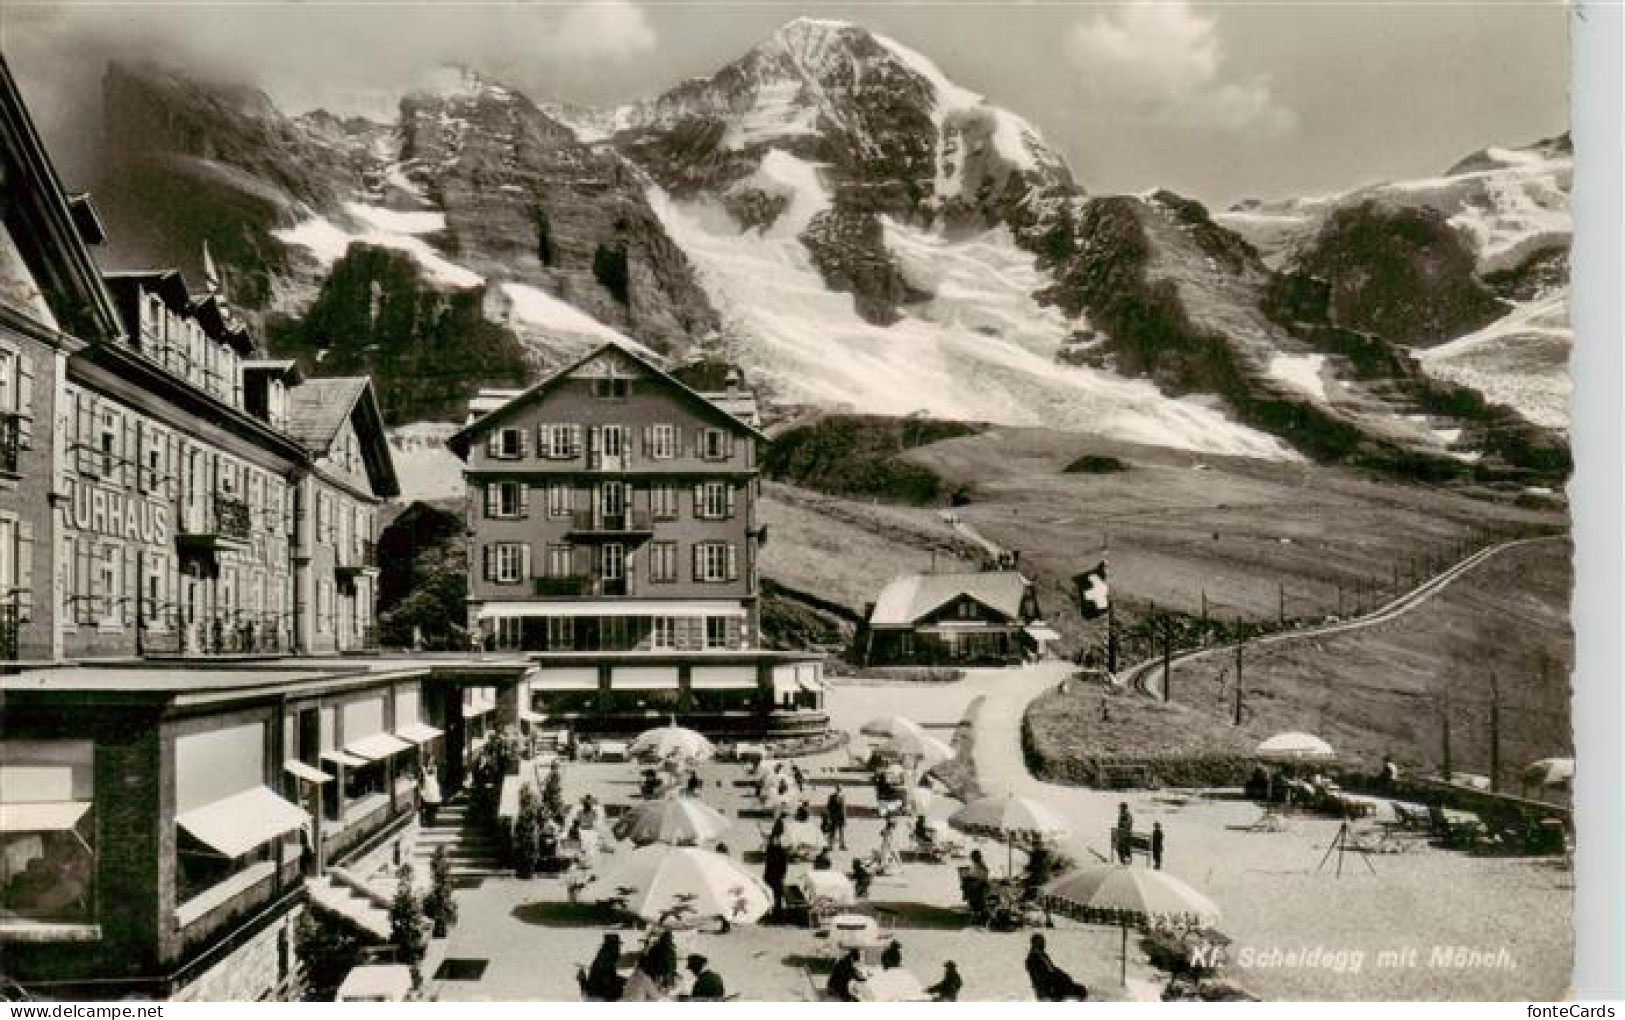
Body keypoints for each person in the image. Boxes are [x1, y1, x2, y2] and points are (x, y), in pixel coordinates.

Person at [1025, 933, 1089, 1001]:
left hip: (1056, 984)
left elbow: (1052, 968)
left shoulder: (1043, 955)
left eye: (1043, 942)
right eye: (1040, 943)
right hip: (1048, 990)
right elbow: (1039, 978)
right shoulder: (1031, 960)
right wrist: (1054, 985)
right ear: (1034, 944)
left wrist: (1064, 975)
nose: (1043, 945)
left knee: (1081, 989)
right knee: (1079, 992)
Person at [582, 933, 626, 1001]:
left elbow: (610, 976)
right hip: (598, 996)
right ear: (612, 946)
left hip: (594, 993)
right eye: (617, 946)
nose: (619, 949)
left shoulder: (604, 955)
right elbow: (607, 980)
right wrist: (625, 982)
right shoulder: (608, 957)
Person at [763, 835, 790, 918]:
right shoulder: (770, 850)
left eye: (775, 840)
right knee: (770, 894)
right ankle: (771, 911)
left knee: (777, 895)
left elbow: (784, 865)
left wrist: (782, 875)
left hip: (776, 876)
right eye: (772, 840)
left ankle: (777, 912)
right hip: (770, 875)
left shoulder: (779, 851)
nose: (773, 841)